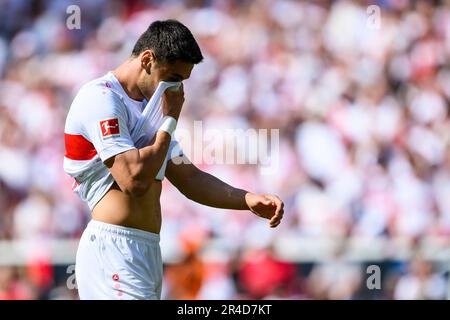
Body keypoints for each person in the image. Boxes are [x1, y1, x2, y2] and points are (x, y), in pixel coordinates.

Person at [63, 19, 284, 300]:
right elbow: (133, 180)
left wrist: (247, 199)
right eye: (174, 78)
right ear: (147, 60)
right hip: (113, 250)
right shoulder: (101, 98)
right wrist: (169, 120)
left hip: (147, 251)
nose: (177, 90)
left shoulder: (150, 106)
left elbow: (188, 178)